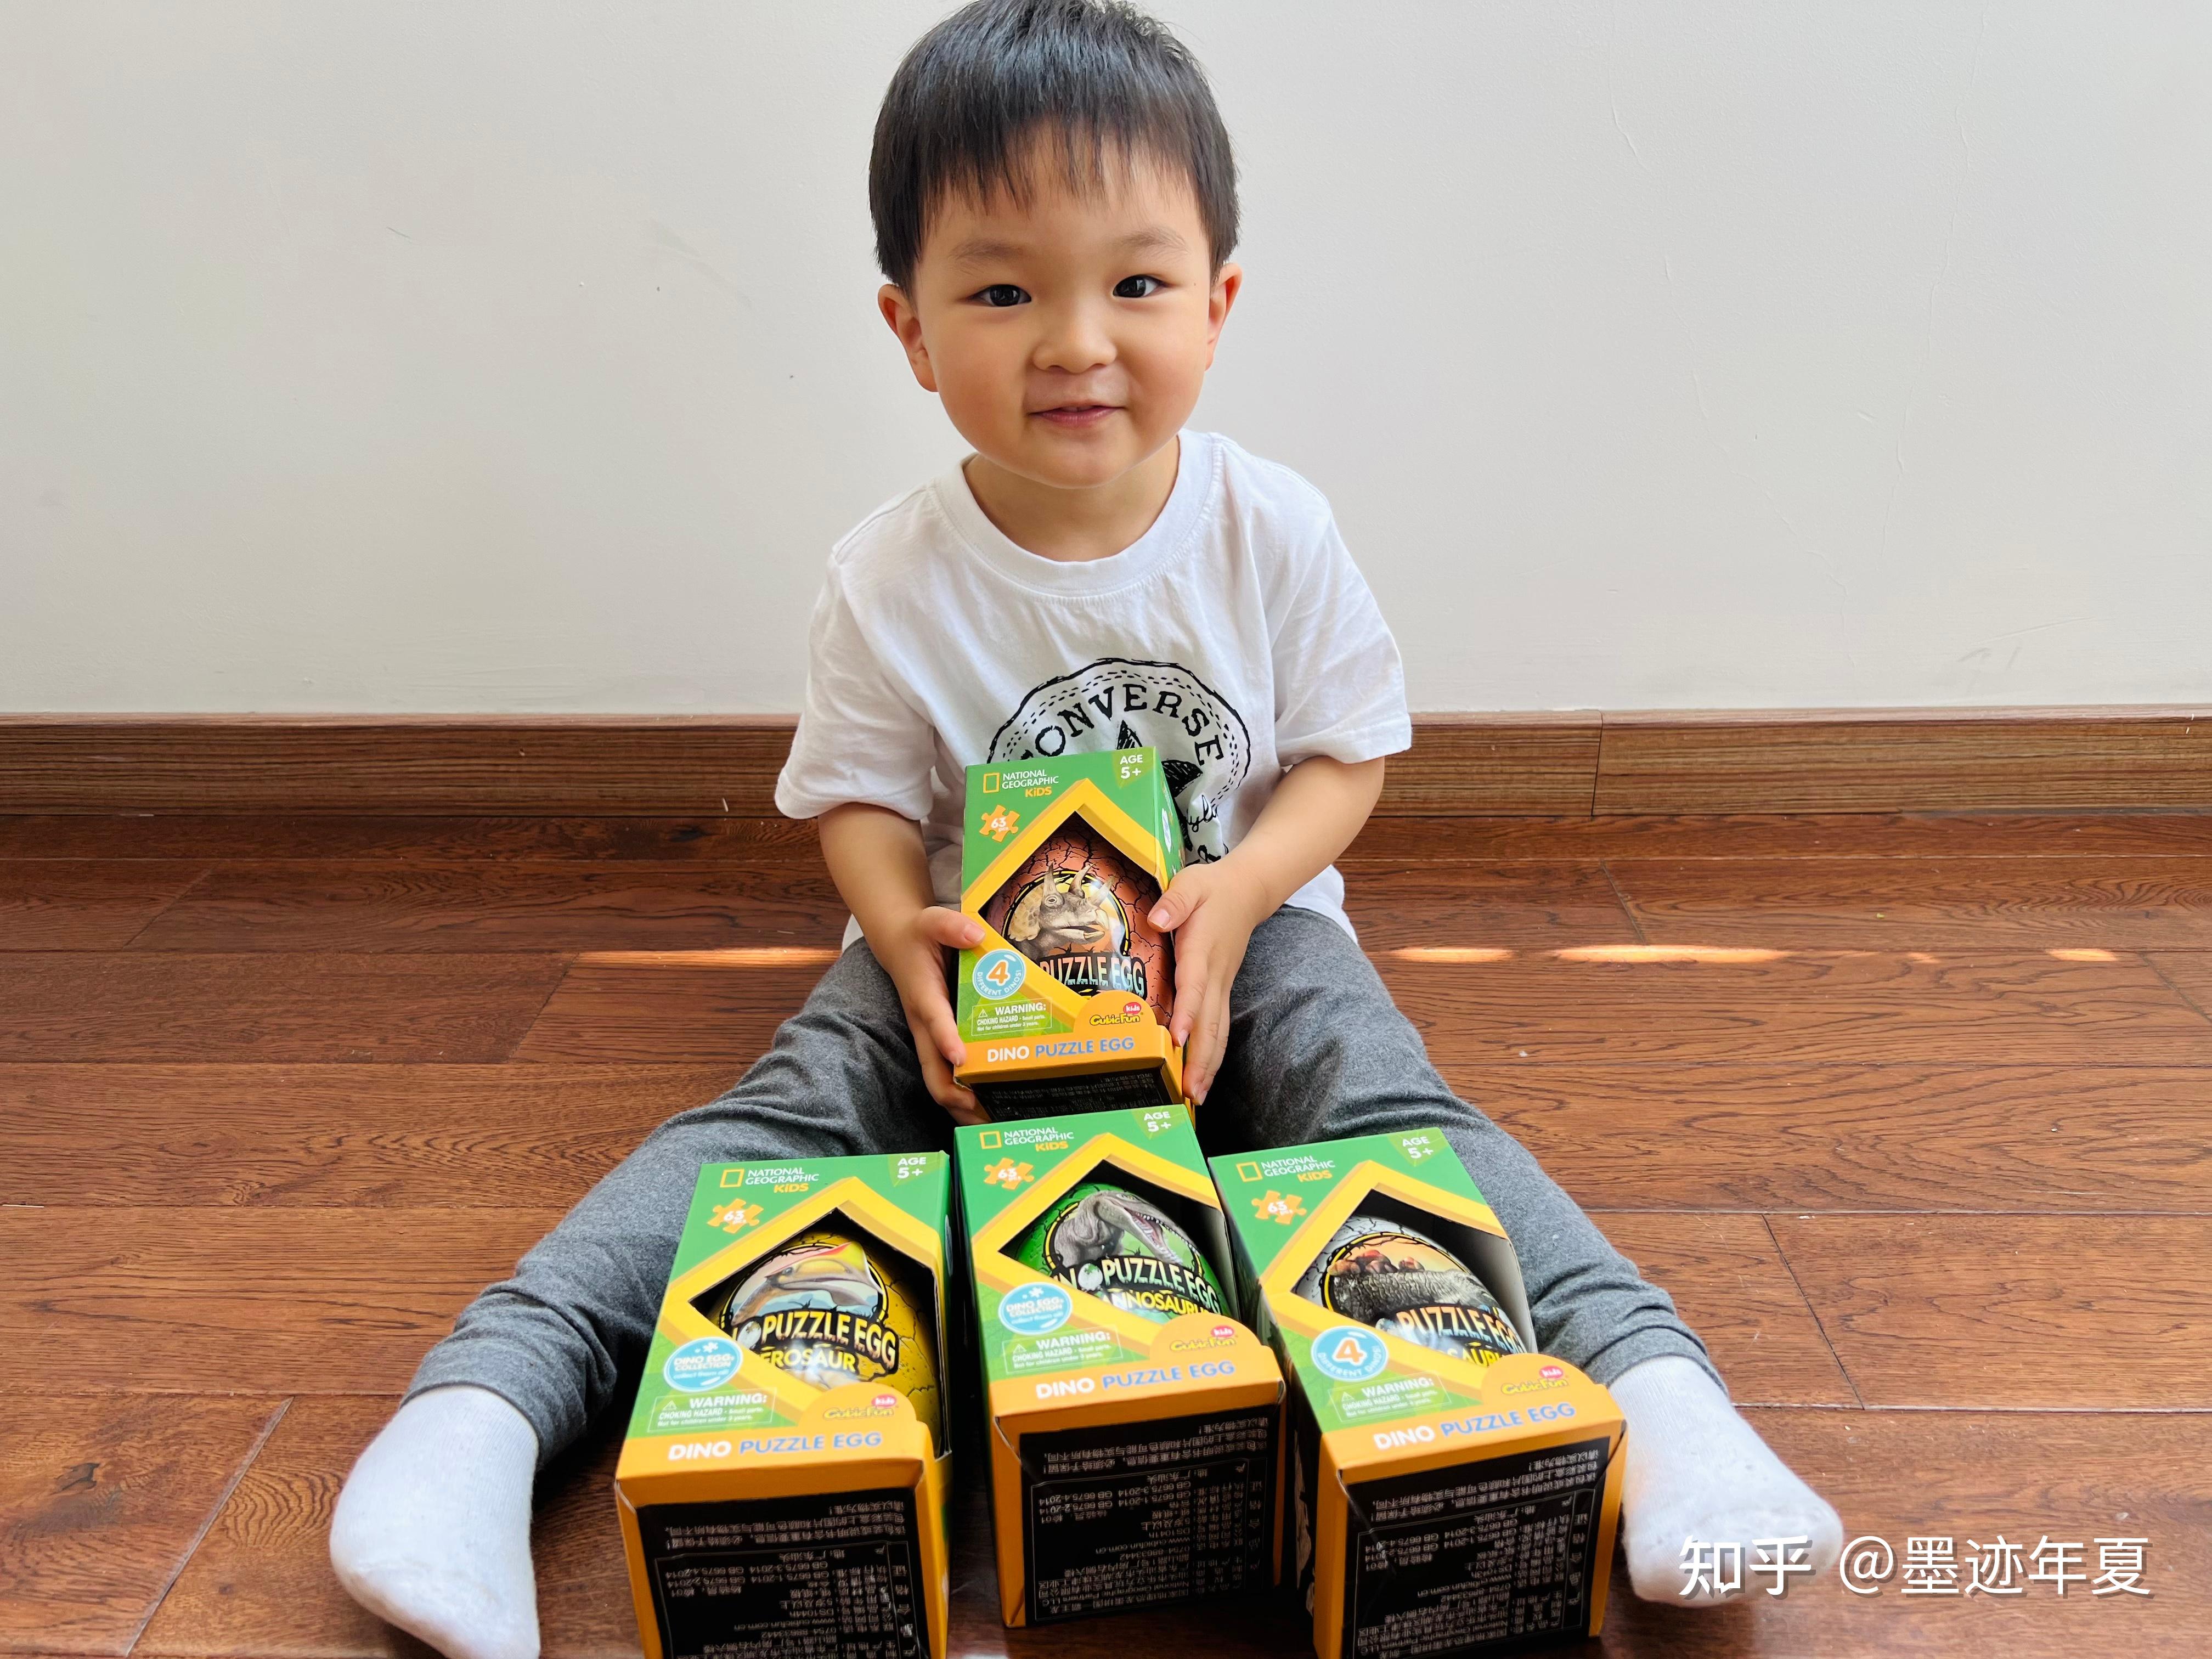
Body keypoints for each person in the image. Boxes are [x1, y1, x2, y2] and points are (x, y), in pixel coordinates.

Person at [329, 5, 1842, 1654]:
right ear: (910, 331)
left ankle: (1662, 1397)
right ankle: (483, 1409)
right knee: (790, 1121)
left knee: (1378, 1103)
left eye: (1134, 282)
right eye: (1002, 293)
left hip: (1249, 927)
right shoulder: (888, 575)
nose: (1073, 343)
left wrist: (1244, 893)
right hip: (973, 954)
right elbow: (856, 796)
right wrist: (903, 933)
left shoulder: (1271, 528)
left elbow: (1345, 760)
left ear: (1219, 303)